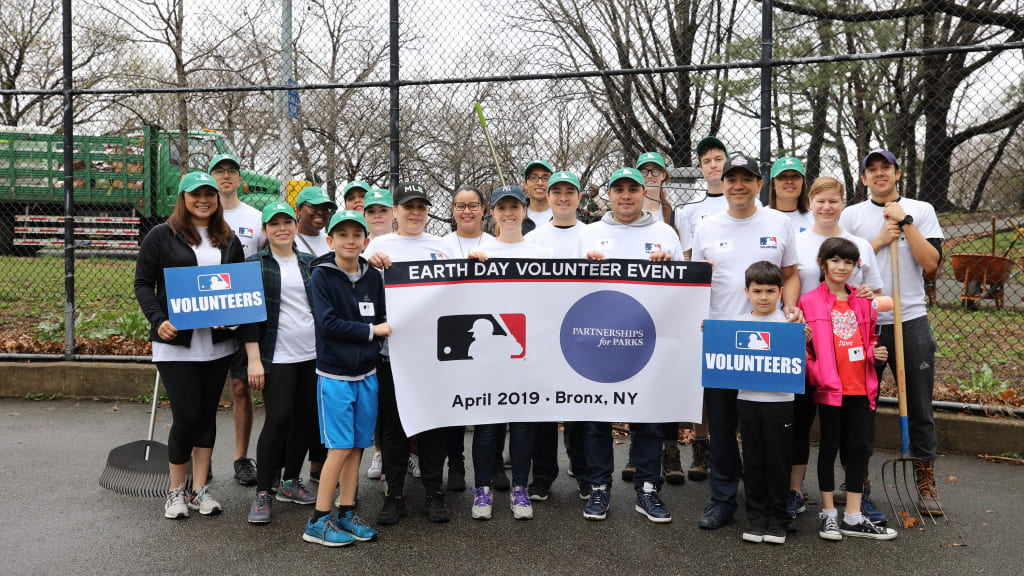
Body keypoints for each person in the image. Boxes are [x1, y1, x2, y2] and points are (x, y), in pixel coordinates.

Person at [690, 153, 801, 530]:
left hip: (769, 341)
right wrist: (697, 314)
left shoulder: (779, 222)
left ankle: (772, 499)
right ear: (722, 185)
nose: (738, 185)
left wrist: (790, 308)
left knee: (767, 429)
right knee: (721, 427)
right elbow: (697, 282)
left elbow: (790, 273)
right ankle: (722, 500)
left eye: (746, 179)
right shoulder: (706, 227)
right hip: (721, 339)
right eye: (732, 179)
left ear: (759, 184)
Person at [839, 149, 945, 516]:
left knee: (919, 403)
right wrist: (880, 241)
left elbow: (930, 265)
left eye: (886, 167)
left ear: (897, 173)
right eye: (872, 169)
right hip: (863, 322)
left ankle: (925, 480)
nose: (879, 173)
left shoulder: (921, 210)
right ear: (864, 178)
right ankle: (858, 478)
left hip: (910, 319)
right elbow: (840, 268)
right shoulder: (851, 216)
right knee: (859, 404)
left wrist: (906, 223)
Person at [134, 171, 244, 519]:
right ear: (183, 198)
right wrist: (158, 320)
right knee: (186, 415)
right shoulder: (161, 235)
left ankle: (200, 489)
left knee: (207, 415)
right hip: (176, 344)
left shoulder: (228, 238)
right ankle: (175, 491)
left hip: (217, 345)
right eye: (195, 194)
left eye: (209, 194)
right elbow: (142, 284)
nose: (203, 200)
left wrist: (233, 317)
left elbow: (238, 286)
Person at [577, 167, 683, 523]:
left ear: (643, 192)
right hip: (599, 341)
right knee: (597, 419)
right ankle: (598, 487)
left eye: (633, 189)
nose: (626, 195)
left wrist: (666, 268)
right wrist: (585, 268)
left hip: (646, 341)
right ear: (609, 194)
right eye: (619, 189)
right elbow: (567, 289)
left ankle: (648, 489)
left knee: (648, 418)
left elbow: (684, 290)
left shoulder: (665, 233)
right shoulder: (589, 234)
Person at [788, 176, 886, 524]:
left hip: (849, 353)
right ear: (810, 203)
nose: (826, 207)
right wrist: (792, 314)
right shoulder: (796, 241)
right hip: (810, 346)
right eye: (820, 200)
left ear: (843, 202)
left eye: (833, 200)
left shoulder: (859, 245)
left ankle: (858, 496)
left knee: (853, 431)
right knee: (801, 422)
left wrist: (869, 296)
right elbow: (788, 282)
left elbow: (877, 296)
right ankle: (794, 491)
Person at [364, 182, 454, 525]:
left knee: (432, 425)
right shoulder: (378, 245)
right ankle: (395, 495)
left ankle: (433, 492)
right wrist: (368, 261)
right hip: (393, 354)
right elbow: (362, 287)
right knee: (393, 428)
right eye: (408, 206)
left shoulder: (442, 246)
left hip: (433, 354)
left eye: (421, 207)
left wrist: (475, 263)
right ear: (395, 211)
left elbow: (461, 289)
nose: (415, 212)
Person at [800, 237, 897, 541]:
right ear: (823, 264)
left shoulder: (863, 301)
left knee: (857, 450)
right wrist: (817, 373)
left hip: (860, 387)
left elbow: (870, 340)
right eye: (835, 260)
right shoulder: (809, 301)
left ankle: (853, 516)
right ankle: (829, 514)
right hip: (831, 388)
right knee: (829, 448)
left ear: (855, 266)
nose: (841, 267)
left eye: (848, 262)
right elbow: (805, 351)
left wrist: (875, 352)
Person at [465, 185, 553, 520]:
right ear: (492, 213)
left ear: (524, 210)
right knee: (488, 426)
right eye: (502, 208)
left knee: (522, 425)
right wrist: (469, 269)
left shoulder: (542, 254)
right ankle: (483, 489)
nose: (509, 213)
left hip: (527, 354)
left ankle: (519, 488)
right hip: (489, 359)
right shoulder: (479, 251)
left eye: (514, 207)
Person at [302, 209, 389, 547]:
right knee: (338, 448)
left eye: (356, 235)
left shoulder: (373, 277)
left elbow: (382, 316)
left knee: (357, 447)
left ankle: (347, 511)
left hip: (366, 373)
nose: (350, 241)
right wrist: (371, 333)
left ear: (366, 241)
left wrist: (374, 339)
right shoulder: (321, 276)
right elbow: (328, 324)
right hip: (335, 375)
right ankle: (318, 520)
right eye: (342, 235)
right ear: (330, 240)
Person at [672, 136, 748, 483]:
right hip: (710, 312)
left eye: (719, 159)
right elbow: (690, 260)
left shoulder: (750, 202)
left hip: (747, 309)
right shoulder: (690, 211)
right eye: (707, 161)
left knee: (745, 388)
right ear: (700, 168)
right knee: (708, 385)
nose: (714, 165)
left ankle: (737, 451)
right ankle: (702, 447)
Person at [243, 202, 319, 524]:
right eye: (274, 224)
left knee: (306, 418)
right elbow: (247, 316)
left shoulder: (311, 263)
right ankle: (263, 492)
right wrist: (254, 360)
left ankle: (290, 481)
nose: (282, 228)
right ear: (265, 230)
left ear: (296, 225)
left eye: (287, 222)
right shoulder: (253, 265)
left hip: (312, 354)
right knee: (279, 418)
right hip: (277, 355)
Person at [525, 171, 588, 501]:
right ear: (547, 197)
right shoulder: (534, 239)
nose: (563, 197)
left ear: (579, 197)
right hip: (544, 331)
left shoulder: (592, 236)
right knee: (543, 406)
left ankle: (583, 470)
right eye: (557, 191)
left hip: (582, 332)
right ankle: (543, 474)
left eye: (569, 192)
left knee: (580, 406)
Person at [208, 152, 265, 487]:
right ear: (211, 178)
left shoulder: (255, 218)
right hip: (207, 315)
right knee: (205, 390)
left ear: (240, 179)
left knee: (241, 386)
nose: (226, 175)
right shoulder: (200, 215)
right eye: (219, 171)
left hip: (243, 312)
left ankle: (241, 458)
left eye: (231, 171)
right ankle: (201, 456)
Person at [732, 261, 799, 545]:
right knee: (754, 462)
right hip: (747, 401)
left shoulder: (790, 324)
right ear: (746, 292)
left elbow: (802, 361)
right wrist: (709, 334)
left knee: (778, 463)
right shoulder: (736, 324)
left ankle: (778, 519)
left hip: (780, 403)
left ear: (781, 292)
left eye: (770, 291)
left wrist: (804, 339)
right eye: (757, 291)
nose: (763, 297)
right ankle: (756, 518)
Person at [440, 185, 495, 492]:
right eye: (460, 206)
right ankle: (456, 463)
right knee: (456, 402)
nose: (467, 211)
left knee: (489, 401)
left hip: (488, 330)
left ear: (483, 209)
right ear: (453, 210)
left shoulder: (496, 244)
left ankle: (493, 464)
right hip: (454, 330)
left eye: (473, 205)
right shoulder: (441, 246)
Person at [768, 157, 814, 233]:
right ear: (774, 184)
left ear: (802, 183)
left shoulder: (814, 220)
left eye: (795, 176)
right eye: (783, 176)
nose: (789, 181)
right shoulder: (761, 218)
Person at [294, 186, 338, 257]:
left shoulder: (332, 243)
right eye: (314, 207)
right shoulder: (287, 241)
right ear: (299, 210)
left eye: (325, 208)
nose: (320, 212)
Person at [637, 151, 672, 223]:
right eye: (644, 171)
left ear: (663, 175)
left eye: (655, 171)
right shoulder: (627, 214)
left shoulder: (676, 215)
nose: (649, 176)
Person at [523, 160, 554, 227]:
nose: (540, 183)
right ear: (525, 184)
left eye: (545, 178)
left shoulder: (565, 214)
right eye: (533, 178)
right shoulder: (516, 216)